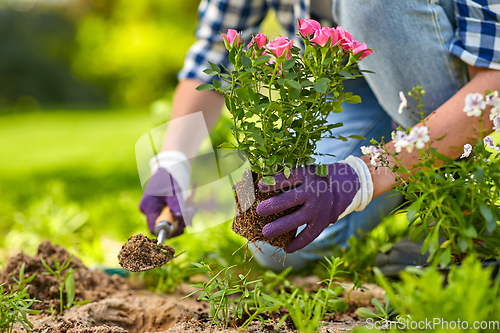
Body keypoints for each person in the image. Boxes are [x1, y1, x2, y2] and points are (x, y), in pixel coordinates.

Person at [140, 0, 500, 272]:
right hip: (349, 85)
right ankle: (403, 173)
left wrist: (358, 179)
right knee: (275, 241)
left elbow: (493, 88)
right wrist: (176, 161)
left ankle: (458, 214)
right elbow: (215, 54)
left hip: (452, 81)